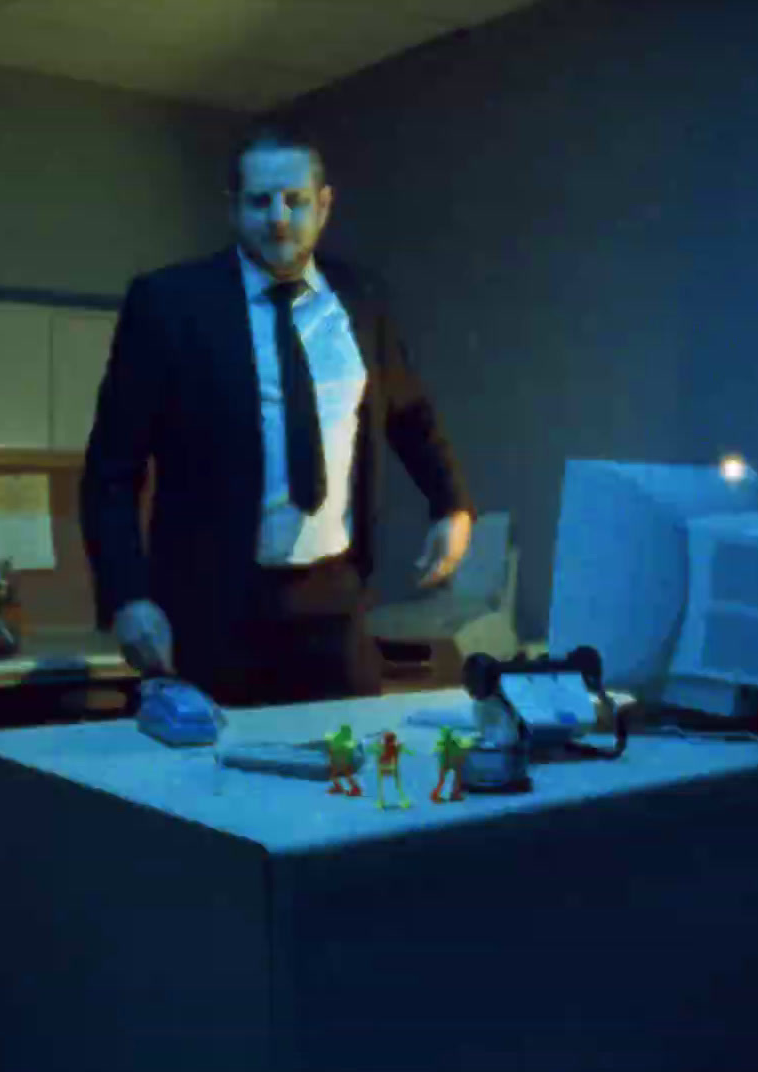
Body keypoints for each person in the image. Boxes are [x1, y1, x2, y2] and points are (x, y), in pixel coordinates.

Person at [80, 124, 475, 707]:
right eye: (260, 202)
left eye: (294, 200)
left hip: (334, 599)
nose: (279, 219)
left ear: (324, 204)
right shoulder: (168, 305)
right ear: (233, 208)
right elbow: (111, 471)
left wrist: (451, 503)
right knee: (213, 789)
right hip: (212, 607)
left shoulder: (363, 299)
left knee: (350, 776)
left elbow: (409, 411)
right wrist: (127, 596)